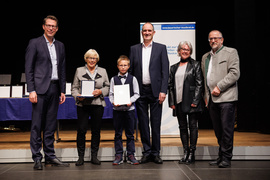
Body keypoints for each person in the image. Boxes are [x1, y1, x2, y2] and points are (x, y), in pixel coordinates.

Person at [25, 15, 69, 170]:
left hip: (54, 88)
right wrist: (31, 90)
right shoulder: (35, 43)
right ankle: (37, 157)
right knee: (37, 125)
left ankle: (50, 156)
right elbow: (29, 68)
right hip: (39, 89)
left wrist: (63, 90)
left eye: (54, 26)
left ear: (57, 29)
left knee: (50, 125)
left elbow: (62, 69)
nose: (51, 28)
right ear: (43, 26)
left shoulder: (60, 45)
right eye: (48, 25)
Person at [129, 22, 169, 164]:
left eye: (149, 30)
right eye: (144, 30)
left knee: (155, 123)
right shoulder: (134, 49)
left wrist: (163, 91)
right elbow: (131, 73)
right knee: (144, 123)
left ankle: (156, 152)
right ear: (142, 32)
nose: (146, 33)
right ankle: (146, 152)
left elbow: (165, 72)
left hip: (156, 91)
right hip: (140, 92)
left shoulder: (161, 48)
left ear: (153, 32)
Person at [201, 30, 240, 168]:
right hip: (212, 100)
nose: (213, 41)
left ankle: (226, 157)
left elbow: (235, 73)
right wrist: (206, 96)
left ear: (222, 40)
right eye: (211, 38)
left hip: (226, 98)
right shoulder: (206, 57)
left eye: (216, 38)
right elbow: (205, 78)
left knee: (227, 129)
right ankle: (221, 155)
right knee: (218, 130)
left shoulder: (231, 52)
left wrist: (219, 86)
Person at [71, 49, 110, 165]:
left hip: (97, 104)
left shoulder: (103, 71)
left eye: (94, 58)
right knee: (81, 131)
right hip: (83, 105)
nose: (92, 60)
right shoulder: (79, 70)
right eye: (89, 58)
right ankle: (81, 157)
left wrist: (100, 91)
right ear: (86, 59)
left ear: (97, 60)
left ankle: (94, 156)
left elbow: (107, 87)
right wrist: (78, 96)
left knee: (96, 131)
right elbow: (74, 88)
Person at [168, 41, 204, 164]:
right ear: (178, 51)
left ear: (190, 52)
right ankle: (185, 152)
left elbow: (200, 84)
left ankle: (192, 153)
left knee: (193, 127)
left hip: (192, 102)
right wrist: (172, 102)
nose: (185, 51)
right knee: (182, 127)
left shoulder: (196, 65)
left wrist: (195, 100)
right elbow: (170, 86)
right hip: (178, 102)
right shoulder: (173, 67)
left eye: (187, 50)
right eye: (182, 49)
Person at [109, 55, 140, 165]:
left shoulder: (133, 79)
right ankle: (118, 155)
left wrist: (130, 101)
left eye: (125, 65)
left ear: (129, 66)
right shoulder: (113, 79)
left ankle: (131, 154)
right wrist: (113, 102)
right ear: (118, 66)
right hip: (117, 110)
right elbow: (111, 94)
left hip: (129, 110)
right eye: (121, 65)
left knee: (130, 134)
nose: (123, 67)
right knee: (118, 133)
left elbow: (137, 94)